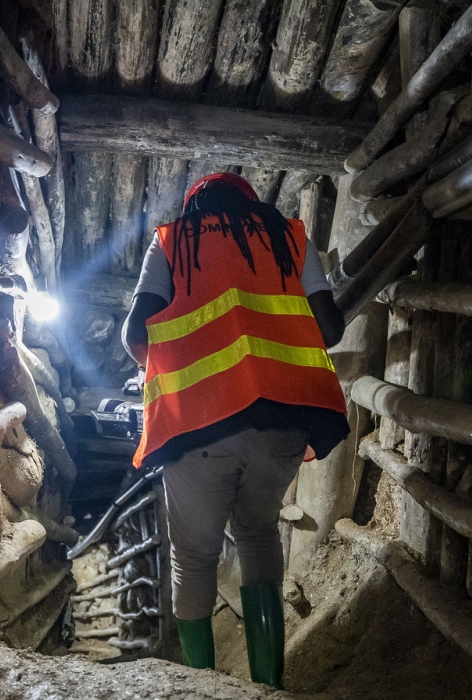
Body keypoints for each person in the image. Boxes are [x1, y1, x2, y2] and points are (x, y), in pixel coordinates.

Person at [123, 173, 349, 687]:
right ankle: (269, 685)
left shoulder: (172, 243)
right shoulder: (289, 237)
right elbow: (330, 329)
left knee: (194, 557)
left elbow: (135, 334)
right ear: (250, 202)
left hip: (198, 427)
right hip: (282, 425)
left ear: (194, 206)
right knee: (259, 532)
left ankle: (203, 689)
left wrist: (170, 367)